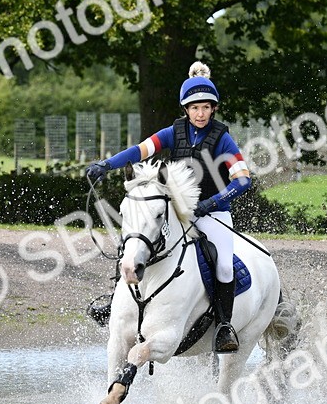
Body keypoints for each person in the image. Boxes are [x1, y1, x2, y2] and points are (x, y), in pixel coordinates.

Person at [86, 61, 253, 353]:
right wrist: (107, 164)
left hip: (213, 213)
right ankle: (116, 301)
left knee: (224, 263)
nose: (200, 113)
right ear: (185, 110)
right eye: (194, 108)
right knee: (137, 242)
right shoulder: (172, 133)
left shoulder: (222, 138)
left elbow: (243, 180)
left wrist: (213, 202)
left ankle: (225, 325)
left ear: (213, 109)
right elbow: (139, 151)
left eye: (205, 108)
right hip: (176, 212)